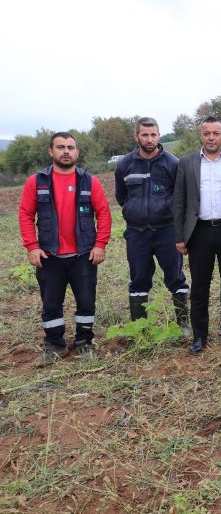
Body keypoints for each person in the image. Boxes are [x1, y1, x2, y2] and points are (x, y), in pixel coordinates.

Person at [19, 132, 112, 365]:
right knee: (51, 303)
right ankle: (54, 345)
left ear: (77, 152)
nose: (66, 151)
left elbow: (103, 213)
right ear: (51, 151)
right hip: (49, 255)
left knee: (86, 302)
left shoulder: (89, 181)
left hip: (83, 255)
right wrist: (32, 247)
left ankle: (84, 343)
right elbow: (25, 214)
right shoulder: (36, 182)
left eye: (71, 147)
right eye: (60, 147)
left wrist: (100, 244)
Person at [173, 117, 221, 353]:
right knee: (199, 286)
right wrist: (180, 236)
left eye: (215, 133)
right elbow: (178, 202)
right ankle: (200, 336)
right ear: (200, 135)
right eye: (206, 133)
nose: (211, 138)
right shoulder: (186, 164)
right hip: (199, 233)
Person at [114, 117, 189, 334]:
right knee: (138, 279)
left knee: (175, 277)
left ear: (158, 135)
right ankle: (140, 327)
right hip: (137, 234)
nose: (149, 139)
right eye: (145, 135)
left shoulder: (173, 163)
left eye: (153, 134)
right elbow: (121, 196)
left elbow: (180, 197)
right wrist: (134, 210)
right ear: (136, 136)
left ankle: (182, 323)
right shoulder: (125, 164)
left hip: (166, 231)